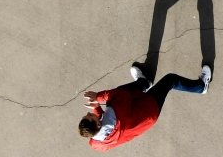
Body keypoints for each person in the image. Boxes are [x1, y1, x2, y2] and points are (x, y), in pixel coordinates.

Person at [79, 64, 211, 151]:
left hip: (139, 120)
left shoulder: (96, 144)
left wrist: (97, 108)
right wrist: (99, 97)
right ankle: (201, 87)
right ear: (97, 124)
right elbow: (122, 95)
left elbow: (104, 123)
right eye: (90, 115)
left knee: (118, 97)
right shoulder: (116, 114)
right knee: (170, 80)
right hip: (148, 109)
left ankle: (144, 82)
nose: (90, 113)